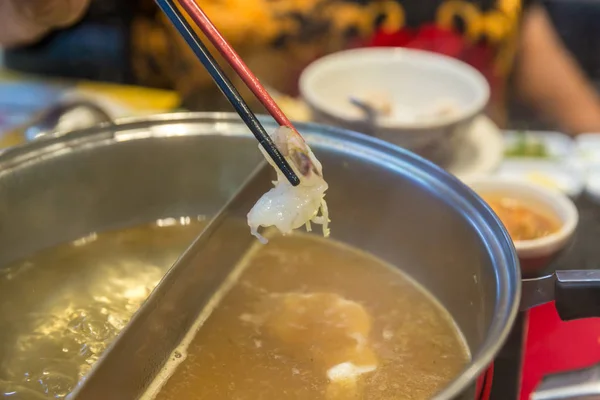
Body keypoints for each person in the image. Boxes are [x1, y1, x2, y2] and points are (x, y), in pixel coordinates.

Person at [2, 0, 600, 135]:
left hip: (468, 182)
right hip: (228, 167)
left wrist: (590, 130)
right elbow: (21, 25)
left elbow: (522, 28)